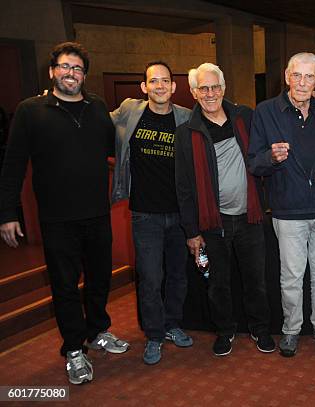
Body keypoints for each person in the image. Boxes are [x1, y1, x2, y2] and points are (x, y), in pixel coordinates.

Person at [0, 42, 128, 385]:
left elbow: (109, 149)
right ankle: (74, 348)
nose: (71, 73)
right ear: (52, 70)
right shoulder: (30, 110)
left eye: (77, 69)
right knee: (65, 286)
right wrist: (6, 213)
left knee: (101, 279)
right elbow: (12, 166)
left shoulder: (97, 106)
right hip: (57, 220)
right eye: (64, 67)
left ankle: (98, 331)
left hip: (97, 214)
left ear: (84, 75)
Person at [248, 52, 315, 357]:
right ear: (287, 77)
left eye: (309, 77)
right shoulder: (265, 111)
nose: (303, 82)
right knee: (291, 276)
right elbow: (254, 162)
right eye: (297, 75)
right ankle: (291, 329)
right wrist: (270, 157)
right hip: (287, 209)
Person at [175, 63, 275, 356]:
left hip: (250, 218)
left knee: (256, 281)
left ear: (224, 88)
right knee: (218, 284)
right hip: (212, 224)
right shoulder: (186, 133)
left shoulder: (245, 117)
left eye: (215, 87)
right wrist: (191, 232)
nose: (210, 93)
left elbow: (272, 135)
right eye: (203, 88)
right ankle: (225, 331)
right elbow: (183, 187)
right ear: (194, 92)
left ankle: (260, 329)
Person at [110, 61, 192, 365]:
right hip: (145, 214)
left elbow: (220, 112)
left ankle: (172, 325)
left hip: (180, 214)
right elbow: (94, 121)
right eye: (153, 81)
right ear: (144, 87)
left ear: (173, 86)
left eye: (165, 81)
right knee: (150, 278)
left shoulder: (185, 116)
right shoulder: (130, 111)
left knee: (177, 276)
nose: (159, 86)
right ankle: (154, 335)